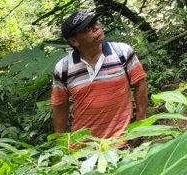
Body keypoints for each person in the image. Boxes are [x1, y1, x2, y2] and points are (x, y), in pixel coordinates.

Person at [52, 11, 147, 140]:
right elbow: (60, 106)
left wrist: (140, 121)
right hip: (83, 148)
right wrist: (61, 143)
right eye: (87, 28)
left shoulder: (122, 53)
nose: (96, 27)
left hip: (122, 141)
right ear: (74, 41)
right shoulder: (63, 68)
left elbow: (140, 84)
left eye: (94, 23)